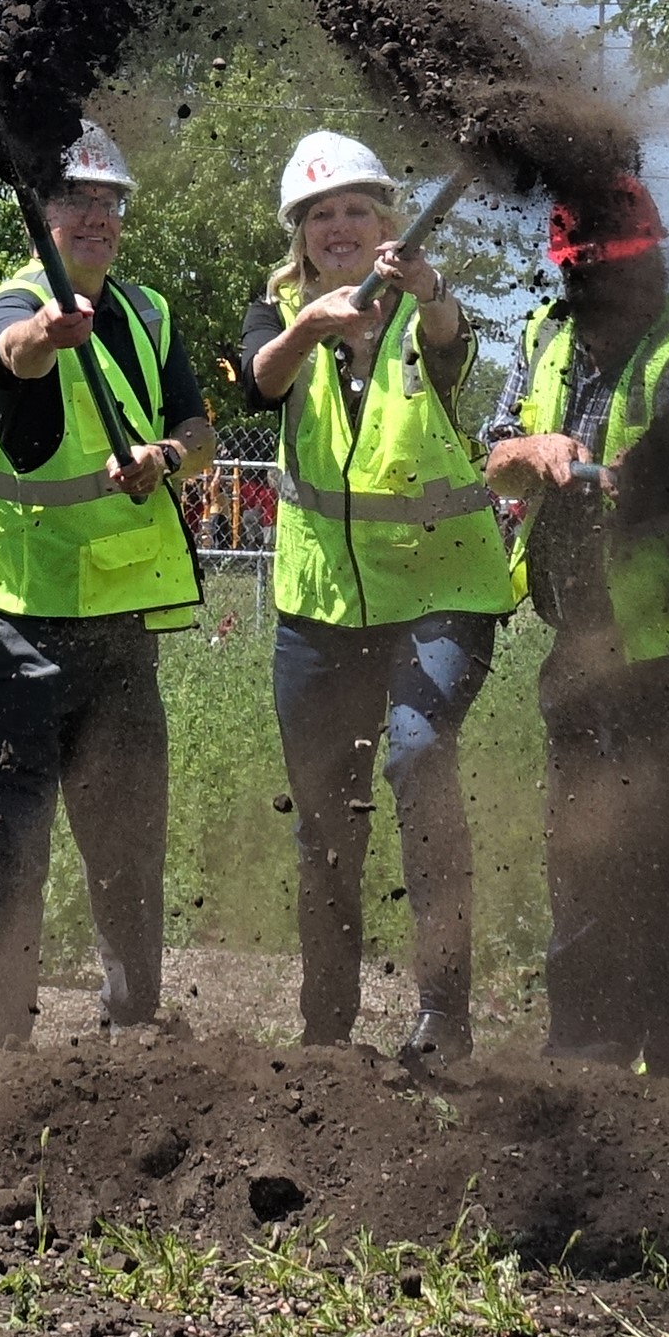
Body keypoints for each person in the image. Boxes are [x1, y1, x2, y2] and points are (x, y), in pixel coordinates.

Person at [483, 175, 669, 1080]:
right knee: (587, 854)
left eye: (619, 276)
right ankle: (587, 1057)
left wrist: (615, 478)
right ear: (564, 277)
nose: (598, 298)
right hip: (587, 646)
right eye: (582, 279)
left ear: (652, 268)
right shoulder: (543, 341)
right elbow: (495, 451)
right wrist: (536, 449)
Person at [0, 119, 216, 1049]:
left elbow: (200, 428)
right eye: (76, 201)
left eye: (110, 202)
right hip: (17, 629)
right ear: (42, 216)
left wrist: (169, 456)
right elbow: (12, 353)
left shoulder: (147, 315)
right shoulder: (7, 308)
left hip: (117, 630)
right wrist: (47, 338)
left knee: (130, 845)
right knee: (16, 843)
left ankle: (133, 1032)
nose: (96, 217)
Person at [238, 131, 511, 1056]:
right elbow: (258, 386)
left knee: (417, 759)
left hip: (442, 589)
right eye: (322, 215)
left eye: (358, 209)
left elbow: (449, 353)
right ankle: (326, 1028)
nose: (341, 226)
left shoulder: (421, 301)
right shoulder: (274, 309)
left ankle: (444, 1014)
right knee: (325, 819)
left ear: (388, 222)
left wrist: (427, 292)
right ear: (300, 234)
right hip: (320, 607)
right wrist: (310, 328)